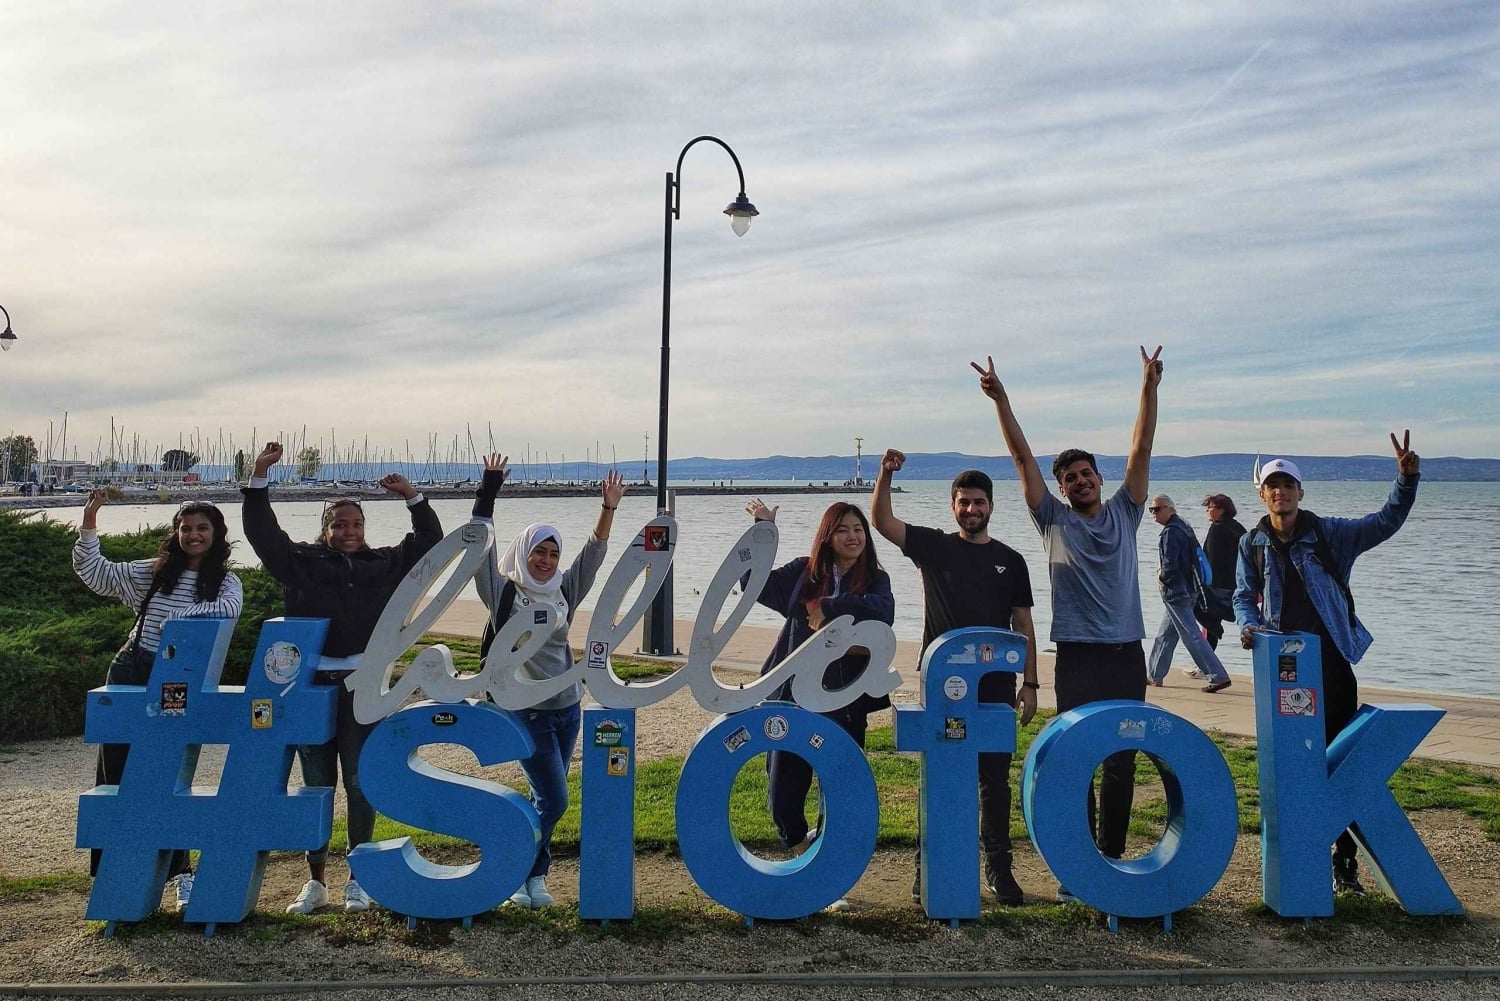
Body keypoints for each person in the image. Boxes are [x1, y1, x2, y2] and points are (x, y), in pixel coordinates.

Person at [974, 348, 1161, 892]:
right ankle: (1077, 866)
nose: (1079, 481)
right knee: (1078, 759)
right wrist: (1001, 400)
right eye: (1069, 478)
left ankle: (1110, 859)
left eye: (1085, 473)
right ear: (1059, 489)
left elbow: (1141, 447)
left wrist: (1147, 388)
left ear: (1100, 478)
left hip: (1126, 653)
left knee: (1121, 760)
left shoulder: (1127, 511)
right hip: (1076, 655)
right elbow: (1020, 460)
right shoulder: (1052, 520)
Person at [242, 442, 443, 915]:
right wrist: (258, 476)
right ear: (326, 528)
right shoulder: (301, 563)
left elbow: (430, 543)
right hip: (311, 690)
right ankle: (315, 881)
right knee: (316, 784)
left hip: (362, 691)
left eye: (355, 524)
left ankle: (359, 878)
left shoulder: (385, 564)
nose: (348, 531)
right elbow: (262, 533)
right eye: (339, 524)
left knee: (358, 782)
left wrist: (412, 496)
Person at [1234, 434, 1420, 896]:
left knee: (1341, 764)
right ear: (1262, 494)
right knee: (1298, 766)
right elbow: (1241, 596)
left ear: (1301, 492)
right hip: (1286, 672)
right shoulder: (1252, 542)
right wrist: (1249, 625)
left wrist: (1407, 480)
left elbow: (1383, 523)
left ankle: (1344, 864)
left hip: (1333, 667)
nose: (1281, 492)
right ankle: (1301, 860)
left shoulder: (1330, 535)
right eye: (1273, 486)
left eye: (1289, 485)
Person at [871, 457, 1038, 906]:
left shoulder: (1011, 560)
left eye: (978, 502)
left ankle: (999, 869)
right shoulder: (934, 548)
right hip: (942, 687)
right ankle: (930, 870)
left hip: (996, 687)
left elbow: (1023, 624)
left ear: (991, 506)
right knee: (940, 779)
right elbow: (882, 522)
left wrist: (1032, 684)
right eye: (963, 502)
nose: (971, 509)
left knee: (994, 782)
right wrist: (886, 474)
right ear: (952, 507)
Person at [73, 490, 243, 912]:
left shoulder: (225, 581)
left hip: (178, 680)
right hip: (132, 670)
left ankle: (181, 872)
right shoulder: (153, 572)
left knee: (171, 774)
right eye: (186, 528)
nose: (193, 535)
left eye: (202, 528)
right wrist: (90, 521)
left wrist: (176, 618)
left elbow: (227, 611)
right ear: (176, 533)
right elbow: (95, 573)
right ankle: (113, 874)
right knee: (116, 775)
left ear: (217, 534)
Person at [471, 454, 624, 909]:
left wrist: (608, 509)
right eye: (540, 551)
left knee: (547, 795)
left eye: (553, 553)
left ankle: (531, 875)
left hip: (568, 705)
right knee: (554, 799)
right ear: (524, 551)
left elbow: (591, 561)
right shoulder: (503, 592)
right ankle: (524, 871)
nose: (547, 560)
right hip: (527, 711)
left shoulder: (562, 591)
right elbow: (480, 546)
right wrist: (489, 488)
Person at [744, 498, 895, 912]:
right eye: (844, 529)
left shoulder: (876, 580)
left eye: (859, 530)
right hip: (792, 695)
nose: (853, 537)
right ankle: (798, 850)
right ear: (828, 536)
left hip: (845, 699)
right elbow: (751, 584)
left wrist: (828, 606)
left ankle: (830, 876)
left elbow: (884, 615)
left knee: (839, 784)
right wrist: (762, 532)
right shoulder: (803, 573)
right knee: (782, 788)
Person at [1145, 495, 1231, 691]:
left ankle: (1218, 676)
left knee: (1191, 635)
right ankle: (1154, 675)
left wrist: (1162, 579)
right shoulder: (1183, 526)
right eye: (1151, 510)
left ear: (1170, 509)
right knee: (1166, 634)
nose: (1153, 513)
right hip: (1189, 589)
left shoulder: (1171, 532)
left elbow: (1170, 564)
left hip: (1177, 591)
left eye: (1157, 509)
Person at [1194, 494, 1246, 649]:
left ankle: (1206, 663)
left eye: (1211, 507)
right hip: (1238, 582)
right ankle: (1207, 663)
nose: (1208, 510)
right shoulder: (1237, 527)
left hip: (1219, 586)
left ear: (1222, 510)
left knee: (1208, 621)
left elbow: (1211, 560)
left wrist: (1205, 585)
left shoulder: (1217, 529)